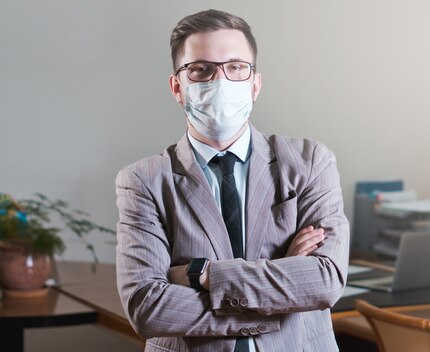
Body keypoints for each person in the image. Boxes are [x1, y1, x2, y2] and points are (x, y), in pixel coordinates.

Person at [115, 9, 349, 352]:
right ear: (177, 87)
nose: (220, 81)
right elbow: (148, 308)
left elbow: (325, 282)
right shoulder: (144, 180)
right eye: (201, 69)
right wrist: (281, 284)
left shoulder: (309, 161)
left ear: (255, 84)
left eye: (236, 67)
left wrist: (201, 274)